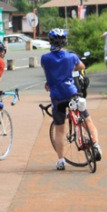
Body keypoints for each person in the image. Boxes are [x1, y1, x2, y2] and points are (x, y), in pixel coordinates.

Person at [42, 28, 102, 170]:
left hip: (57, 96)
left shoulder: (45, 58)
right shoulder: (71, 57)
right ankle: (95, 145)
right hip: (71, 92)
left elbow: (49, 72)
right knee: (87, 120)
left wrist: (50, 82)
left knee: (60, 130)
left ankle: (61, 160)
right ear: (64, 42)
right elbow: (81, 66)